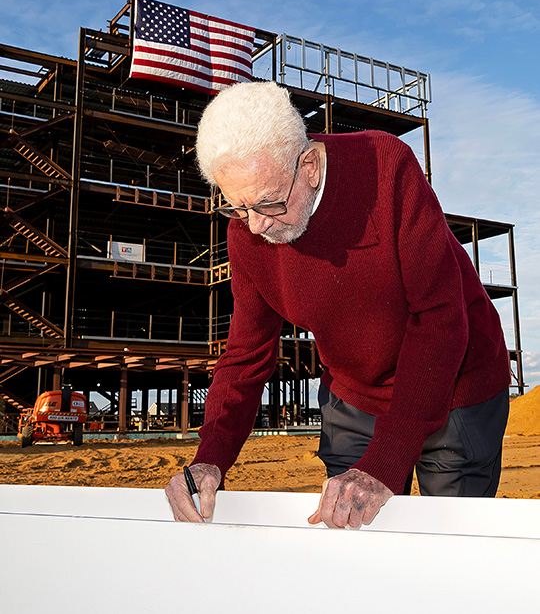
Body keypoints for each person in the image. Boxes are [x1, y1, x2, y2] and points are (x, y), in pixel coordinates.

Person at [165, 81, 510, 528]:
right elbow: (247, 354)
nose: (256, 225)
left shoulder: (387, 168)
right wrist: (209, 460)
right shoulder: (249, 232)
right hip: (354, 392)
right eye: (237, 207)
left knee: (449, 539)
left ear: (308, 165)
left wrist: (384, 461)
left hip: (456, 382)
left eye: (269, 202)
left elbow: (441, 318)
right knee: (350, 532)